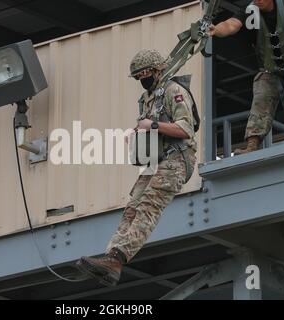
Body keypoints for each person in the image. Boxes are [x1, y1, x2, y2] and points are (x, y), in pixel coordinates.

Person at [75, 49, 198, 287]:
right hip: (157, 161)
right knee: (132, 208)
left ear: (156, 70)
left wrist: (151, 124)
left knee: (148, 206)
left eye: (145, 74)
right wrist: (136, 133)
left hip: (177, 159)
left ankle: (118, 257)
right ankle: (111, 258)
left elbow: (186, 129)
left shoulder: (174, 91)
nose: (143, 79)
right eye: (138, 76)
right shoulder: (147, 99)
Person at [209, 0, 284, 154]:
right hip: (269, 69)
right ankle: (252, 145)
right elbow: (232, 24)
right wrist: (217, 29)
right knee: (261, 97)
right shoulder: (250, 10)